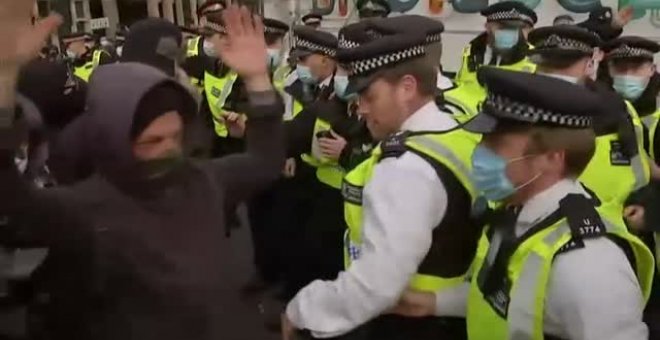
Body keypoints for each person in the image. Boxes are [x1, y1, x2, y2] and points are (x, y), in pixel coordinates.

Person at [0, 4, 285, 340]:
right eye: (152, 141)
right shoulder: (80, 211)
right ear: (113, 138)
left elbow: (264, 159)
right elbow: (10, 199)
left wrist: (257, 79)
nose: (169, 150)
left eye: (175, 136)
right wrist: (4, 78)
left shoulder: (203, 181)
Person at [392, 68, 655, 340]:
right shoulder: (513, 213)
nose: (479, 152)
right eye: (483, 139)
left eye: (496, 144)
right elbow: (502, 298)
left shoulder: (588, 264)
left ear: (553, 158)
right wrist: (429, 302)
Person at [282, 28, 483, 340]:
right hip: (452, 314)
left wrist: (302, 311)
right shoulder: (457, 134)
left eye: (369, 96)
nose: (361, 108)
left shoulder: (404, 168)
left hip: (409, 324)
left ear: (406, 88)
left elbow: (376, 284)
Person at [527, 25, 651, 216]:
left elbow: (638, 172)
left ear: (590, 65)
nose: (556, 74)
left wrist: (640, 204)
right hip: (535, 224)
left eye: (566, 65)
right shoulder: (516, 111)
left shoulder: (620, 110)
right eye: (547, 65)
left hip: (613, 225)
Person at [450, 1, 537, 120]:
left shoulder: (539, 60)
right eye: (503, 27)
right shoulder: (472, 52)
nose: (512, 33)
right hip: (463, 122)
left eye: (520, 28)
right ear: (488, 27)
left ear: (530, 30)